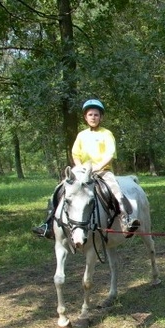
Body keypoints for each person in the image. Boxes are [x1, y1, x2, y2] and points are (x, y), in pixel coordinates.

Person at [32, 99, 140, 239]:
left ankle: (126, 220)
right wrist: (81, 167)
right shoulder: (81, 135)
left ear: (101, 117)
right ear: (85, 117)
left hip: (102, 171)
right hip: (81, 171)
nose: (93, 117)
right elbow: (75, 153)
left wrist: (97, 167)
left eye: (96, 115)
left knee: (116, 191)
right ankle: (48, 223)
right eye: (90, 115)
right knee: (59, 189)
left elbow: (110, 154)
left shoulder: (106, 134)